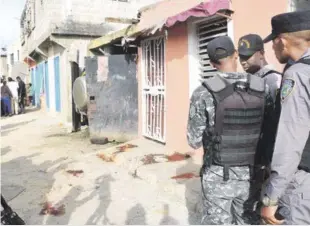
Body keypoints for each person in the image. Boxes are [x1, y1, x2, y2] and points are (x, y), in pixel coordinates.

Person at [187, 36, 274, 224]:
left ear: (211, 63)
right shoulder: (262, 87)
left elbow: (193, 139)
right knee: (248, 221)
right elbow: (270, 131)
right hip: (253, 174)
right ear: (236, 54)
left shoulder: (203, 92)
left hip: (218, 175)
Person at [260, 10, 310, 225]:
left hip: (304, 181)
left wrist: (272, 197)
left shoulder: (297, 73)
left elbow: (291, 138)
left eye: (273, 42)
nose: (272, 48)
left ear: (282, 41)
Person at [238, 34, 282, 102]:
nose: (243, 61)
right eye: (241, 57)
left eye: (247, 56)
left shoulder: (274, 80)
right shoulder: (244, 80)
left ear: (261, 53)